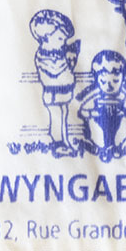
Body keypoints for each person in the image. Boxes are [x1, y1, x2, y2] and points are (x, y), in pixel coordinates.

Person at [29, 9, 80, 157]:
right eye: (60, 39)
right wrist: (67, 63)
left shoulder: (57, 54)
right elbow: (54, 72)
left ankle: (64, 141)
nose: (63, 42)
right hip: (53, 93)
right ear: (46, 38)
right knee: (57, 116)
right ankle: (58, 143)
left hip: (62, 93)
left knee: (63, 115)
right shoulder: (44, 56)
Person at [76, 50, 126, 161]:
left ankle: (118, 146)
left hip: (118, 123)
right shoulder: (96, 98)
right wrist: (92, 113)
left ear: (123, 79)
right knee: (96, 131)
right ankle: (99, 146)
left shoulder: (122, 98)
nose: (109, 86)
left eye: (115, 81)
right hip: (99, 123)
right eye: (103, 82)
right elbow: (83, 112)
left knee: (123, 126)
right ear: (96, 79)